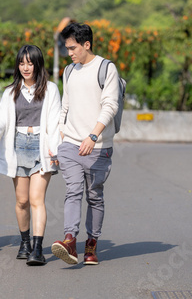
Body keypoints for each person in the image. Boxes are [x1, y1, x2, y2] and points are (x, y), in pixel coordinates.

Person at [0, 45, 61, 266]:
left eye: (30, 63)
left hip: (41, 147)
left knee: (37, 199)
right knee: (22, 200)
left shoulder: (51, 89)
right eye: (22, 63)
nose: (26, 67)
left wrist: (54, 150)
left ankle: (38, 249)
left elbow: (55, 122)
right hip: (16, 146)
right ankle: (24, 242)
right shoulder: (11, 92)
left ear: (38, 64)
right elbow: (1, 117)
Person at [51, 23, 119, 266]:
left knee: (94, 196)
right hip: (70, 143)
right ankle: (70, 240)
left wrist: (93, 137)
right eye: (67, 48)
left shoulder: (106, 68)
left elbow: (111, 105)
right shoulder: (69, 71)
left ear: (86, 44)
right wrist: (59, 138)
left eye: (73, 48)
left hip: (98, 145)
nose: (69, 53)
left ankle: (91, 244)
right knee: (73, 190)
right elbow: (65, 107)